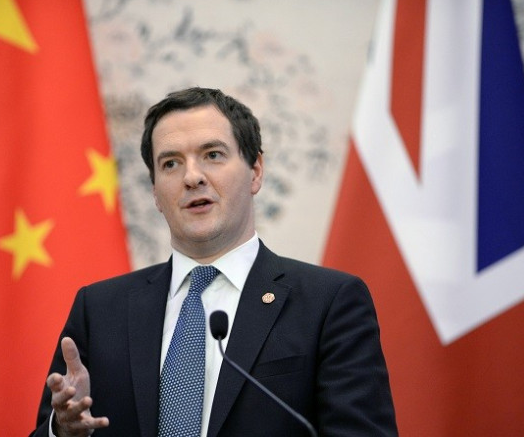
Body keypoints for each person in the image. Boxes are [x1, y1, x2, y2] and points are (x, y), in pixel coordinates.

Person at [30, 87, 397, 437]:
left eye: (213, 155)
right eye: (171, 163)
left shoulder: (329, 303)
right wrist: (63, 431)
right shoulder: (100, 310)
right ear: (156, 191)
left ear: (255, 171)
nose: (192, 177)